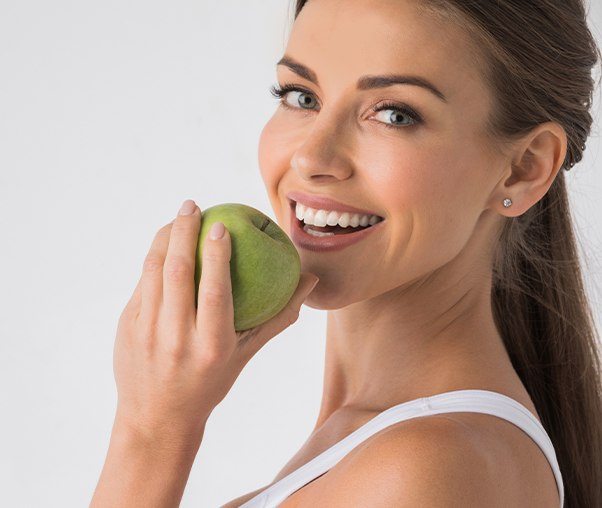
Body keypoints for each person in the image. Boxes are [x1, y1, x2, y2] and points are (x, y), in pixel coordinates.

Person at [90, 0, 602, 506]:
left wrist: (150, 434)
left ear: (525, 168)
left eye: (394, 114)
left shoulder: (428, 469)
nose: (312, 157)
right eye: (301, 96)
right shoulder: (385, 444)